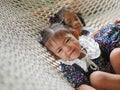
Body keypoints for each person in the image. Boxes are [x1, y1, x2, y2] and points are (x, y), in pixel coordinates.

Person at [40, 24, 120, 90]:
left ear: (75, 34)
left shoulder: (89, 45)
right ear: (56, 57)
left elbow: (108, 45)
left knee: (116, 53)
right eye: (59, 50)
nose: (67, 48)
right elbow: (81, 86)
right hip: (103, 84)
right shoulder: (69, 66)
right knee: (96, 77)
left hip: (115, 76)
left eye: (67, 41)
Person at [49, 8, 120, 61]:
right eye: (69, 23)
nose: (75, 22)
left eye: (76, 19)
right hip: (105, 53)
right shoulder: (74, 42)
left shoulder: (88, 29)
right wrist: (93, 37)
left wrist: (113, 25)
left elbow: (104, 34)